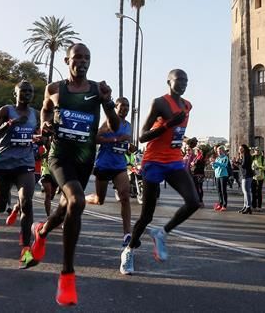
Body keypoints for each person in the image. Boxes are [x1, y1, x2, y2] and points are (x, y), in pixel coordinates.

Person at [29, 43, 120, 306]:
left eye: (86, 57)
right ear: (67, 60)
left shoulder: (96, 89)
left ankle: (43, 231)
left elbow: (114, 126)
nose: (82, 61)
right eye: (77, 57)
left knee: (67, 205)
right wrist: (45, 122)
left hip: (84, 158)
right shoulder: (55, 89)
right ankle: (67, 275)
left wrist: (107, 102)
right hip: (59, 155)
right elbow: (45, 109)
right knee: (78, 201)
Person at [119, 69, 201, 276]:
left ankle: (161, 233)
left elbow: (177, 133)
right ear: (168, 82)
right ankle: (128, 251)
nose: (183, 83)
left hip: (173, 161)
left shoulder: (187, 105)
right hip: (154, 162)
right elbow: (142, 137)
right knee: (147, 214)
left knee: (193, 201)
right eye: (179, 80)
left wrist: (182, 138)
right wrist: (167, 125)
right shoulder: (160, 103)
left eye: (186, 80)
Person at [0, 80, 40, 268]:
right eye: (23, 91)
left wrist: (41, 137)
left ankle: (25, 249)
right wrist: (10, 124)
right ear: (15, 93)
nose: (27, 94)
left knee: (26, 202)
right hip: (4, 164)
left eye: (30, 91)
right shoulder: (6, 111)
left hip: (26, 164)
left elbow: (40, 136)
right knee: (0, 204)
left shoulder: (36, 114)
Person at [84, 97, 134, 273]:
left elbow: (125, 145)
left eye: (128, 106)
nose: (125, 109)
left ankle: (127, 233)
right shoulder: (108, 122)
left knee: (125, 196)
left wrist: (130, 148)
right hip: (104, 165)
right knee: (99, 200)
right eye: (123, 106)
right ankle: (83, 199)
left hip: (120, 166)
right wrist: (114, 140)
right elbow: (96, 138)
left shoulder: (128, 125)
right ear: (116, 107)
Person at [211, 146, 230, 211]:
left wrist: (216, 163)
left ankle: (224, 205)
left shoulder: (225, 157)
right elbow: (215, 167)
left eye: (220, 151)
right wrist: (213, 164)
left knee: (223, 191)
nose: (218, 152)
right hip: (217, 176)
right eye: (218, 151)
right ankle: (220, 204)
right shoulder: (217, 158)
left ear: (223, 151)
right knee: (219, 191)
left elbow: (224, 165)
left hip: (223, 176)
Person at [237, 144, 254, 214]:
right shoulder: (244, 155)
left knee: (246, 192)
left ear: (244, 149)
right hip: (245, 175)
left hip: (247, 175)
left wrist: (238, 162)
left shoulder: (245, 155)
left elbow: (243, 165)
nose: (240, 149)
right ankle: (245, 206)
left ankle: (248, 207)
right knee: (245, 192)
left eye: (241, 148)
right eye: (239, 148)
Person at [251, 147, 265, 211]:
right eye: (255, 150)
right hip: (253, 177)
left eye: (258, 150)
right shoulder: (253, 157)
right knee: (253, 192)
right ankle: (253, 206)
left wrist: (259, 167)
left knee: (259, 192)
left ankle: (259, 206)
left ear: (260, 151)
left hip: (260, 177)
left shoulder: (263, 158)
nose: (256, 151)